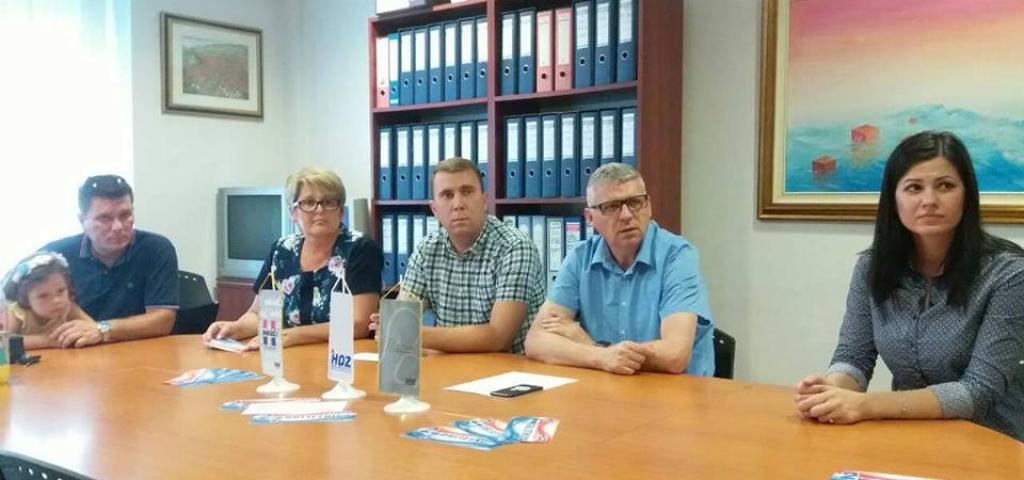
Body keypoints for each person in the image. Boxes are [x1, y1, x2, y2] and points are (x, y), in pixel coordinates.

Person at [794, 131, 1024, 441]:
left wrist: (865, 405)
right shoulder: (871, 267)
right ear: (894, 198)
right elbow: (854, 356)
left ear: (967, 195)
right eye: (914, 187)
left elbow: (978, 391)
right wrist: (832, 389)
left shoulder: (1009, 273)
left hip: (994, 439)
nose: (929, 201)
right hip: (908, 436)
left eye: (945, 186)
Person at [524, 163, 715, 375]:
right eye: (612, 207)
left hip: (674, 390)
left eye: (635, 202)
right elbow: (536, 341)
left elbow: (674, 355)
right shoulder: (579, 258)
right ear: (590, 218)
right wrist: (602, 357)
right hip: (609, 387)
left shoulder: (677, 256)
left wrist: (592, 347)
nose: (626, 215)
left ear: (649, 206)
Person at [371, 157, 545, 354]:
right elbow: (403, 319)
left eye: (467, 192)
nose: (458, 204)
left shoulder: (514, 247)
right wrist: (393, 327)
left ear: (484, 200)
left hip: (509, 368)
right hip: (452, 366)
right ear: (434, 209)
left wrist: (413, 334)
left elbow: (499, 337)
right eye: (447, 195)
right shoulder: (427, 249)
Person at [203, 167, 382, 349]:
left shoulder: (360, 248)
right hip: (289, 355)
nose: (319, 210)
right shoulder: (282, 250)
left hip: (341, 356)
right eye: (309, 202)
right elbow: (258, 314)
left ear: (341, 211)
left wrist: (293, 336)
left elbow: (358, 324)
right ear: (293, 212)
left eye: (328, 202)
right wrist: (235, 328)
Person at [43, 175, 179, 348]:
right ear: (82, 221)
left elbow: (162, 320)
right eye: (104, 219)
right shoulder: (55, 255)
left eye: (125, 215)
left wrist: (101, 329)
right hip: (76, 350)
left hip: (138, 349)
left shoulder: (156, 249)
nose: (118, 227)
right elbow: (14, 307)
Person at [1, 252, 94, 350]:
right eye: (43, 296)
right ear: (25, 299)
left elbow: (93, 328)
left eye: (61, 290)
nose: (57, 300)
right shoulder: (18, 314)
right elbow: (3, 341)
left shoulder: (68, 307)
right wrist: (46, 341)